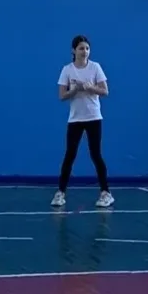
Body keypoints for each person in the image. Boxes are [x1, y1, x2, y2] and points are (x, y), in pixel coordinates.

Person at [52, 35, 114, 210]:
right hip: (75, 119)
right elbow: (62, 95)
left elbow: (105, 91)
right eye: (81, 48)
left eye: (87, 48)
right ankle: (60, 193)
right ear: (74, 50)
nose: (84, 51)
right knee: (70, 155)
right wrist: (75, 90)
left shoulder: (95, 67)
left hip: (93, 117)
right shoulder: (67, 70)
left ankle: (106, 193)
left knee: (96, 154)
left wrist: (89, 87)